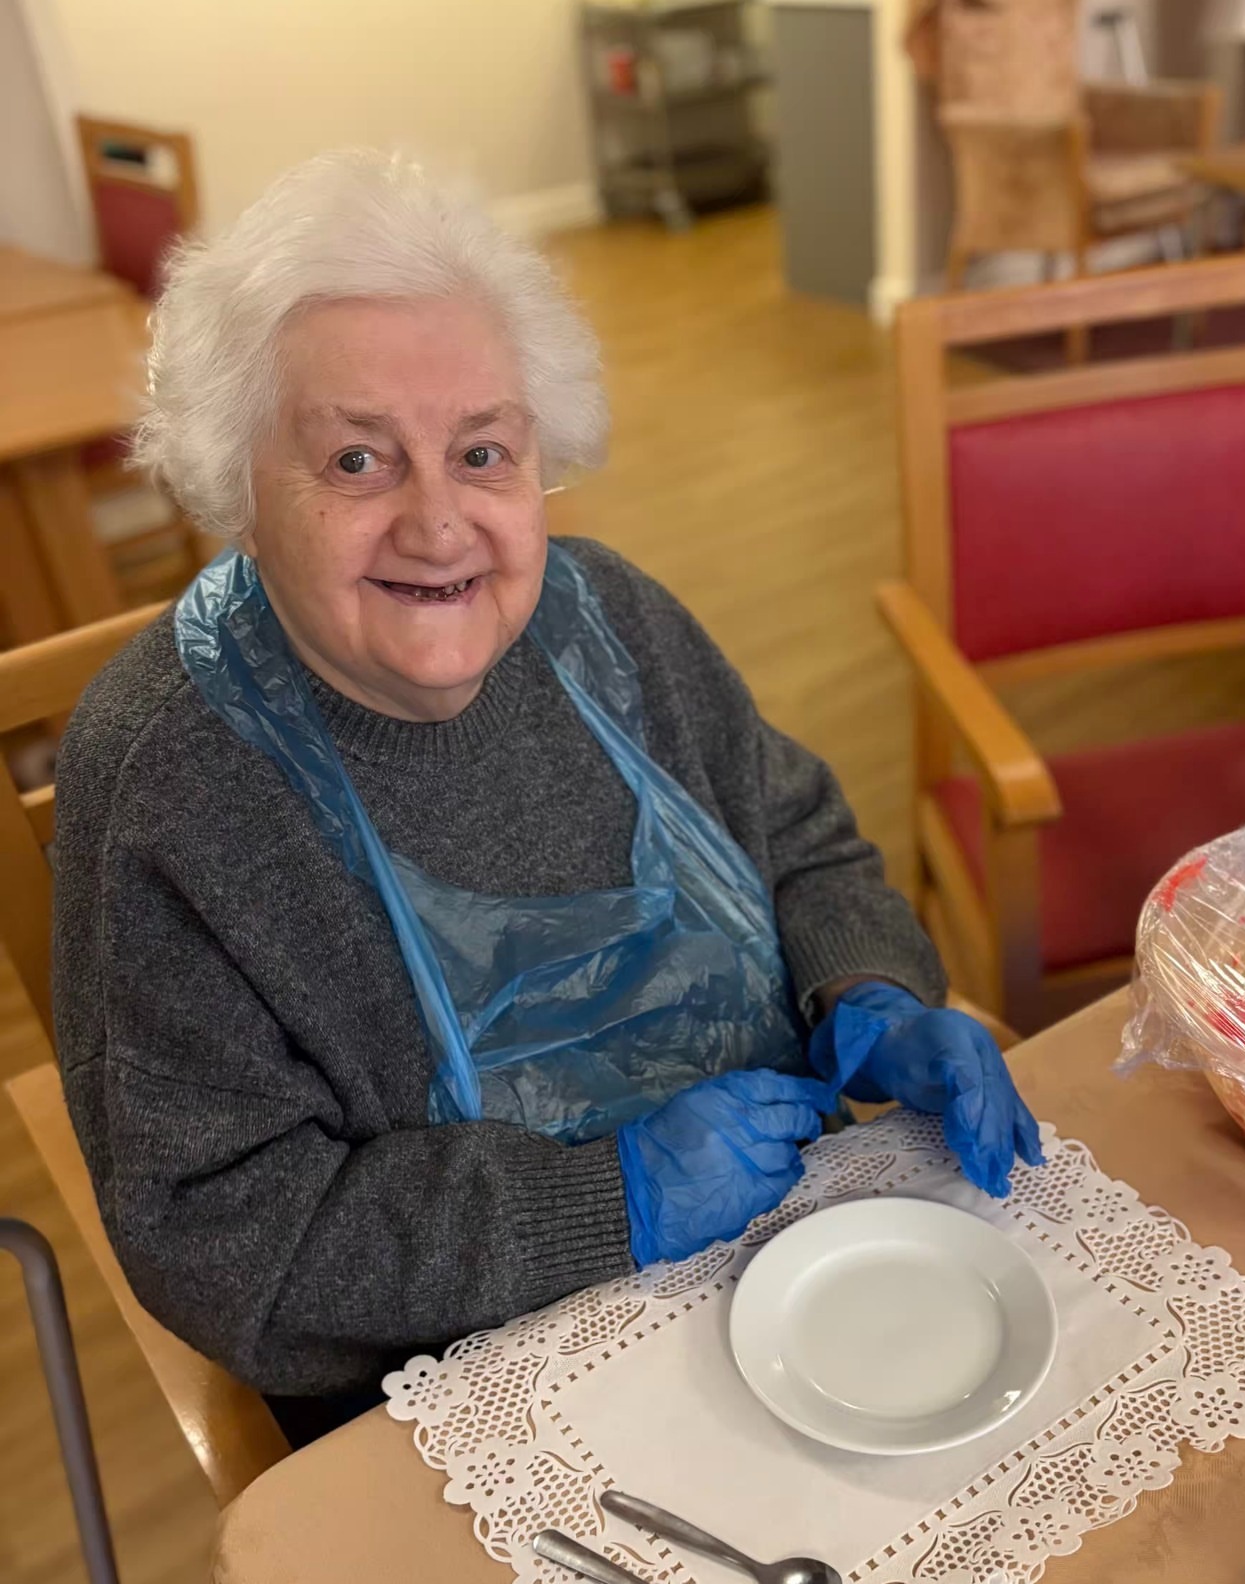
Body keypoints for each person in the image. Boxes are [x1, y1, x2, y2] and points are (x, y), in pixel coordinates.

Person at [54, 152, 1042, 1445]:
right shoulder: (174, 787)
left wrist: (870, 994)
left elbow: (794, 834)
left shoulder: (608, 618)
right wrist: (605, 1204)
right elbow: (227, 1239)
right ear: (241, 488)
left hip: (804, 1270)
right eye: (357, 461)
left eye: (482, 452)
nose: (438, 523)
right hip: (461, 1403)